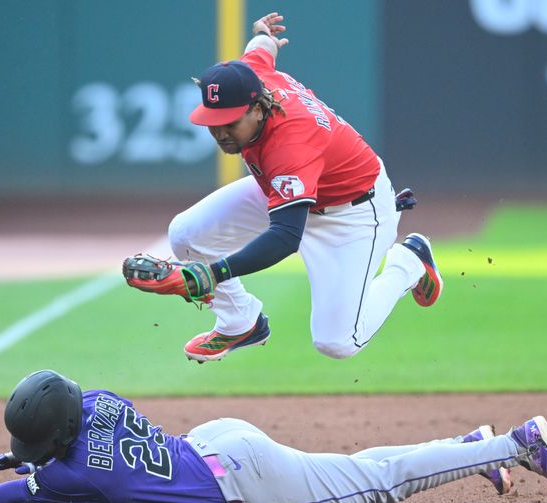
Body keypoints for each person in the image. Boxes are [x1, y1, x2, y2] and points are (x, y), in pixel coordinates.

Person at [0, 369, 547, 503]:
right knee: (362, 470)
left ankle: (514, 444)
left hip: (244, 475)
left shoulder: (76, 484)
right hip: (215, 439)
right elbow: (72, 443)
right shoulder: (95, 401)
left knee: (374, 482)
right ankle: (468, 444)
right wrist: (37, 450)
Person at [154, 13, 442, 362]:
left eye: (229, 123)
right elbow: (258, 53)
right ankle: (240, 322)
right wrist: (265, 37)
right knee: (186, 234)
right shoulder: (250, 79)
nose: (220, 133)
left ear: (258, 108)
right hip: (292, 189)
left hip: (352, 213)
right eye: (212, 123)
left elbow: (286, 237)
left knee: (337, 342)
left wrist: (212, 274)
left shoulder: (291, 143)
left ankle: (408, 262)